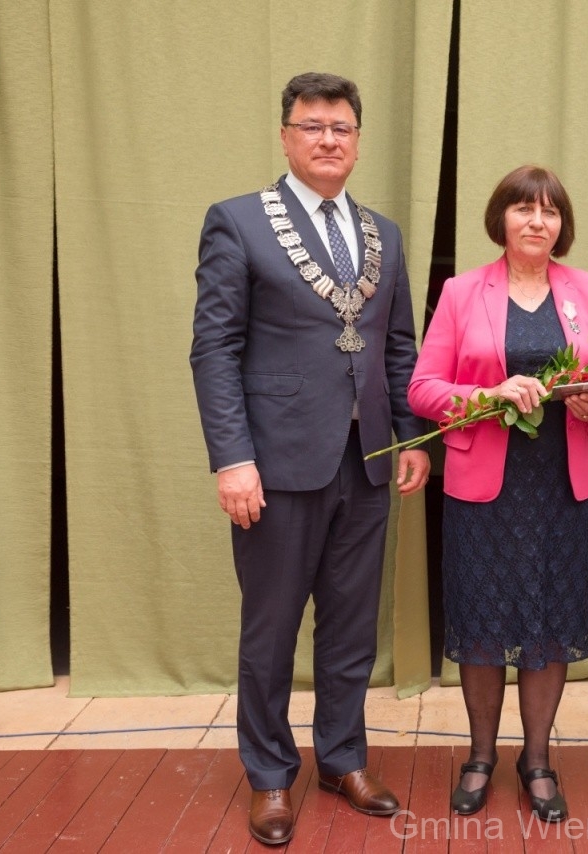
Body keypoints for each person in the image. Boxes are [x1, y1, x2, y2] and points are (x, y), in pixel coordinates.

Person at [190, 72, 430, 845]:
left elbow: (398, 346)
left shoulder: (384, 234)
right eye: (312, 126)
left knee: (352, 627)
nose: (328, 139)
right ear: (286, 136)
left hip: (366, 460)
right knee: (270, 630)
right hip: (275, 465)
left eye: (341, 128)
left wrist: (407, 438)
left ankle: (342, 758)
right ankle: (269, 775)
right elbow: (214, 350)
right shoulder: (237, 222)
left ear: (357, 140)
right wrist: (233, 458)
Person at [408, 166, 588, 823]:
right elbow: (423, 388)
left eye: (550, 211)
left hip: (561, 487)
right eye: (524, 209)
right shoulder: (461, 291)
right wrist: (486, 394)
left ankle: (538, 759)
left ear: (562, 225)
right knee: (483, 621)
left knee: (549, 621)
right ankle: (479, 757)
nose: (537, 221)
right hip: (485, 492)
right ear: (501, 218)